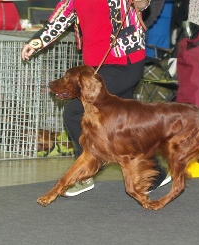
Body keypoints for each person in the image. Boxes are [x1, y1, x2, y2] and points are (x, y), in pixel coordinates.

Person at [21, 0, 171, 196]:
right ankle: (157, 172)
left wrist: (141, 3)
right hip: (96, 67)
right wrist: (36, 42)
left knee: (74, 112)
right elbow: (59, 20)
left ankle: (86, 171)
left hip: (124, 62)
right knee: (124, 126)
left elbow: (142, 5)